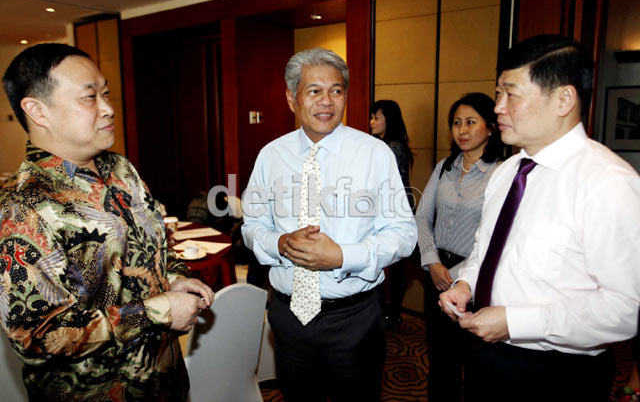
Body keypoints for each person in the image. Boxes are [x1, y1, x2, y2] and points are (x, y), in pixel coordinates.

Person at [0, 43, 214, 401]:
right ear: (38, 111)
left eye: (106, 93)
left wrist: (176, 277)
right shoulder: (22, 206)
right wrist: (156, 312)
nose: (108, 108)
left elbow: (155, 245)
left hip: (163, 381)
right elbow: (38, 336)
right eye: (89, 97)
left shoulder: (120, 169)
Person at [439, 35, 640, 402]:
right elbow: (486, 250)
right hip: (486, 352)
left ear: (563, 100)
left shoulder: (607, 183)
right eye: (498, 94)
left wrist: (515, 322)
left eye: (511, 95)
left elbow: (627, 309)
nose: (498, 108)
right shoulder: (508, 171)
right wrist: (466, 283)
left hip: (559, 372)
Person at [241, 48, 417, 401]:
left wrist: (342, 256)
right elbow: (252, 225)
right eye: (314, 91)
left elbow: (403, 234)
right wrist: (280, 243)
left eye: (336, 91)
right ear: (291, 98)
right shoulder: (270, 155)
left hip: (354, 317)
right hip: (289, 316)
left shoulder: (375, 154)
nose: (326, 101)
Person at [415, 92, 505, 402]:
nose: (462, 130)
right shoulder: (445, 167)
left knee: (476, 360)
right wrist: (433, 263)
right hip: (436, 273)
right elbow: (421, 217)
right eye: (456, 123)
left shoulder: (500, 173)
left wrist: (454, 275)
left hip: (473, 277)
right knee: (441, 359)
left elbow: (496, 236)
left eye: (470, 122)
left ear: (490, 128)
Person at [369, 99, 415, 329]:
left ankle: (392, 313)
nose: (371, 122)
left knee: (394, 264)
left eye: (376, 117)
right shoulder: (385, 145)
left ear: (389, 120)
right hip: (391, 206)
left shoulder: (392, 147)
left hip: (393, 209)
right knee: (393, 265)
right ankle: (391, 312)